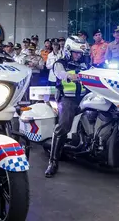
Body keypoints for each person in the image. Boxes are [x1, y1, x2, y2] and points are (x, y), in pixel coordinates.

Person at [45, 36, 89, 178]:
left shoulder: (85, 64)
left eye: (80, 53)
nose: (78, 55)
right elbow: (60, 73)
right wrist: (70, 76)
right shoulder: (60, 63)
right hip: (68, 99)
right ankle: (53, 162)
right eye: (76, 52)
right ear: (69, 51)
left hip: (84, 98)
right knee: (63, 126)